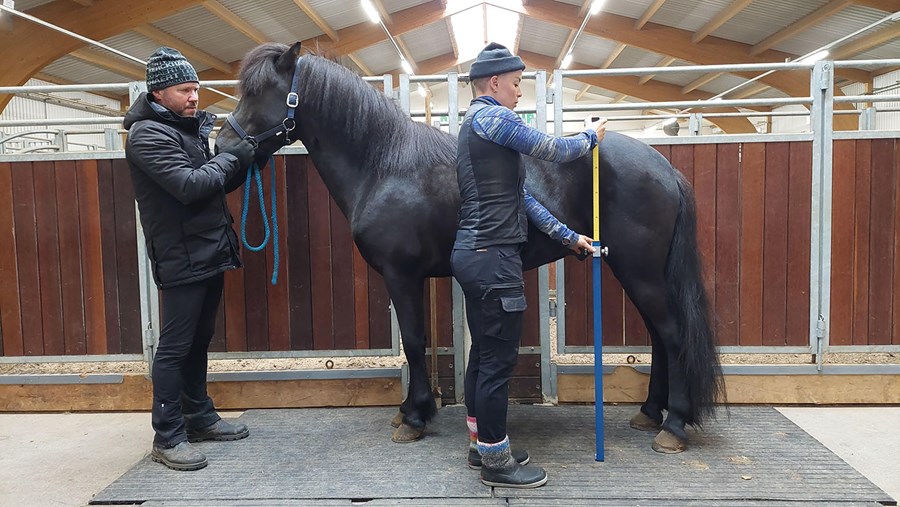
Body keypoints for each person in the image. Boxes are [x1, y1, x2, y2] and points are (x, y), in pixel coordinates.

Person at [451, 42, 607, 488]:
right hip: (493, 257)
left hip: (476, 254)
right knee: (498, 361)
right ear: (495, 83)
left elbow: (523, 200)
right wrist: (589, 137)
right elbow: (551, 149)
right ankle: (497, 465)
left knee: (483, 354)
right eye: (517, 84)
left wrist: (569, 237)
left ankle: (483, 447)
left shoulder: (473, 128)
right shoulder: (494, 117)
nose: (520, 92)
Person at [123, 47, 257, 471]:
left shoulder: (185, 130)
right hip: (181, 253)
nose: (194, 96)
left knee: (199, 339)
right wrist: (230, 158)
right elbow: (188, 185)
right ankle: (168, 434)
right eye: (185, 90)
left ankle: (198, 417)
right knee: (175, 346)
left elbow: (214, 183)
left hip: (209, 248)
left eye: (196, 88)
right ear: (159, 93)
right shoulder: (147, 135)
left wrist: (246, 159)